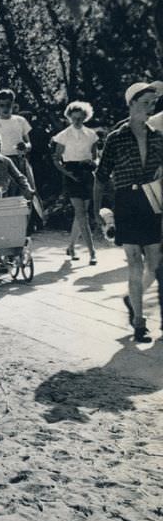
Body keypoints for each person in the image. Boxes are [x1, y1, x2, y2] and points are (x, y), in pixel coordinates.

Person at [94, 81, 163, 343]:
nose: (150, 108)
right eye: (145, 103)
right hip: (127, 201)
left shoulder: (157, 137)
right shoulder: (116, 138)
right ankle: (139, 323)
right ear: (132, 103)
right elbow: (100, 177)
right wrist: (96, 212)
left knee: (154, 263)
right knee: (134, 261)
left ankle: (131, 304)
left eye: (153, 104)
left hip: (151, 201)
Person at [51, 101, 99, 265]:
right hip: (71, 173)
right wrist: (68, 174)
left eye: (80, 118)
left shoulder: (91, 134)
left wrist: (93, 164)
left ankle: (71, 246)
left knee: (82, 214)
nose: (77, 120)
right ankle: (92, 252)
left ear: (85, 117)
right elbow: (56, 160)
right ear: (69, 117)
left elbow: (95, 156)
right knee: (82, 215)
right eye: (74, 117)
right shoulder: (63, 135)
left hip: (87, 174)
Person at [0, 132, 33, 199]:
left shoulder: (6, 161)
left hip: (6, 197)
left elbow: (19, 177)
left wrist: (27, 188)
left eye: (0, 144)